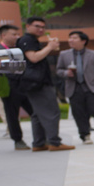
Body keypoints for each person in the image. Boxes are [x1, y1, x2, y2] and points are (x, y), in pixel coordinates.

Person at [16, 16, 73, 151]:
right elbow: (34, 58)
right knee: (52, 111)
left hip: (33, 82)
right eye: (37, 26)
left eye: (43, 27)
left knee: (37, 113)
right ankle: (54, 142)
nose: (41, 29)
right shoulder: (27, 40)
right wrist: (50, 47)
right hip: (37, 83)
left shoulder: (31, 40)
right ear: (28, 26)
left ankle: (39, 143)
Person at [55, 30, 94, 143]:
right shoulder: (64, 54)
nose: (71, 40)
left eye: (74, 38)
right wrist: (66, 73)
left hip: (92, 88)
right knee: (78, 113)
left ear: (83, 41)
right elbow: (58, 70)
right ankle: (85, 135)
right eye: (70, 38)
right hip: (74, 88)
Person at [0, 24, 34, 150]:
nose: (17, 37)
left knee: (35, 111)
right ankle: (18, 140)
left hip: (23, 86)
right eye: (13, 34)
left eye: (17, 34)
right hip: (9, 88)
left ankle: (42, 137)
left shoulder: (19, 48)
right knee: (12, 115)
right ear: (3, 35)